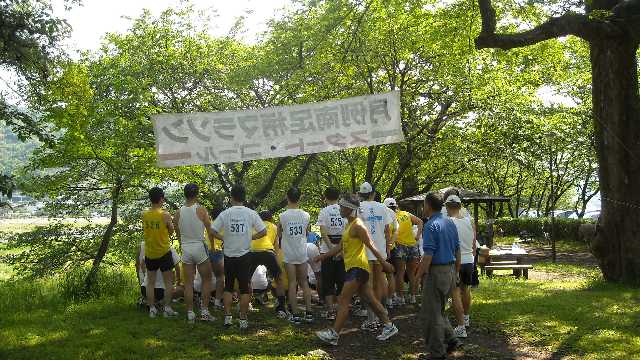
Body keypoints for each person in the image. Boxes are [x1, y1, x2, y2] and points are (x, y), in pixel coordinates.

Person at [315, 194, 399, 346]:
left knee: (343, 299)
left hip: (358, 268)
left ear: (349, 208)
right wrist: (322, 257)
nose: (339, 208)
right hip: (354, 268)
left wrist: (384, 263)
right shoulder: (349, 224)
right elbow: (341, 246)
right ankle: (389, 326)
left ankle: (334, 334)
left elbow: (371, 245)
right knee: (371, 300)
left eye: (342, 206)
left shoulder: (358, 226)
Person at [211, 184, 267, 330]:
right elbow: (263, 231)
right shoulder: (251, 213)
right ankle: (243, 318)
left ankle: (228, 317)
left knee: (228, 286)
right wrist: (250, 237)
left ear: (231, 198)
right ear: (244, 197)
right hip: (244, 255)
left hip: (229, 254)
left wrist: (223, 238)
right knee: (244, 288)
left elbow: (212, 230)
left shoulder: (225, 213)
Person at [416, 191, 462, 359]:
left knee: (430, 314)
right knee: (439, 309)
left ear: (428, 205)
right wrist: (455, 272)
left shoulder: (430, 226)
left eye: (424, 204)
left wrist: (418, 276)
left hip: (436, 271)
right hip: (450, 270)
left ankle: (436, 353)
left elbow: (428, 256)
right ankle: (451, 340)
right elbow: (457, 250)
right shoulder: (449, 223)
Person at [174, 183, 216, 323]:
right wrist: (213, 246)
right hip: (199, 246)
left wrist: (181, 243)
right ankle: (204, 311)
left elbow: (177, 230)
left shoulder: (178, 212)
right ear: (197, 194)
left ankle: (190, 313)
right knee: (207, 279)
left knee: (188, 283)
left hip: (186, 248)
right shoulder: (201, 210)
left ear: (184, 194)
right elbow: (210, 230)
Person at [358, 182, 393, 330]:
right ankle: (379, 315)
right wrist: (387, 248)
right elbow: (387, 231)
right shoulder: (382, 207)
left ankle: (371, 317)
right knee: (379, 282)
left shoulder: (358, 208)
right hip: (379, 250)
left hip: (365, 250)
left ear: (361, 194)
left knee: (367, 284)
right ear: (373, 193)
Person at [278, 187, 313, 324]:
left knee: (292, 283)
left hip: (289, 253)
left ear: (287, 197)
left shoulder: (282, 216)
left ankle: (296, 314)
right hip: (301, 252)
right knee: (304, 282)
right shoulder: (306, 215)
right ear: (300, 197)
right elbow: (306, 233)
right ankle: (309, 312)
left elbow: (279, 234)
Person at [141, 187, 178, 318]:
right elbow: (172, 230)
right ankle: (167, 308)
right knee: (169, 282)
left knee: (150, 282)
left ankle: (152, 309)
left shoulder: (144, 214)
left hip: (150, 252)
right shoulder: (165, 214)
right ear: (161, 199)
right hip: (163, 251)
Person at [445, 195, 476, 338]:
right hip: (469, 260)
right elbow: (474, 242)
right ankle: (466, 317)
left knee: (455, 293)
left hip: (455, 261)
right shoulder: (470, 220)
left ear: (448, 207)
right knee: (466, 289)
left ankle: (461, 326)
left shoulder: (448, 222)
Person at [386, 198, 424, 306]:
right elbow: (420, 222)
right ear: (396, 206)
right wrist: (417, 236)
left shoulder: (389, 217)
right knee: (412, 274)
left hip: (399, 246)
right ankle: (412, 297)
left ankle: (400, 298)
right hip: (412, 245)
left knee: (400, 273)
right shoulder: (405, 214)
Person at [249, 210, 287, 317]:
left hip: (253, 251)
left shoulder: (253, 226)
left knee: (246, 279)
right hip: (268, 252)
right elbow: (276, 246)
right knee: (278, 279)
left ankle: (246, 303)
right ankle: (281, 308)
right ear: (270, 218)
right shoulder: (274, 227)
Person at [316, 186, 346, 320]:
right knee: (342, 280)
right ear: (338, 196)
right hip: (343, 248)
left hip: (327, 250)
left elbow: (323, 232)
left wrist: (331, 249)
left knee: (327, 280)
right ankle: (341, 309)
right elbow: (348, 232)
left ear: (325, 197)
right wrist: (340, 250)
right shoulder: (344, 210)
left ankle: (330, 311)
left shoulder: (324, 211)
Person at [137, 242, 181, 308]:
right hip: (160, 290)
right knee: (180, 290)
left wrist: (146, 274)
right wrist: (178, 281)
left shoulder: (151, 250)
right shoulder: (170, 249)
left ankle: (149, 302)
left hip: (144, 288)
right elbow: (177, 267)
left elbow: (142, 264)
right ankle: (161, 303)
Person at [208, 207, 225, 310]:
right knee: (220, 277)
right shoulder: (223, 224)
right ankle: (217, 302)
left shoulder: (209, 222)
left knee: (207, 278)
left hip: (206, 250)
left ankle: (205, 300)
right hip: (217, 251)